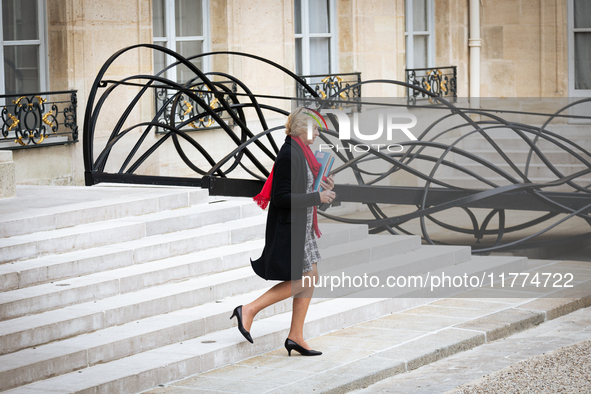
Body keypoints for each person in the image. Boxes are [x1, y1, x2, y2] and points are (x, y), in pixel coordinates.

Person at [230, 107, 336, 356]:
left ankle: (296, 336)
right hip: (292, 227)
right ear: (301, 128)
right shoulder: (290, 153)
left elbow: (303, 189)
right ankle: (248, 310)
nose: (318, 132)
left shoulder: (303, 153)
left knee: (311, 278)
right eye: (314, 127)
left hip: (303, 226)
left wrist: (323, 189)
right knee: (306, 279)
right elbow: (280, 197)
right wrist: (317, 195)